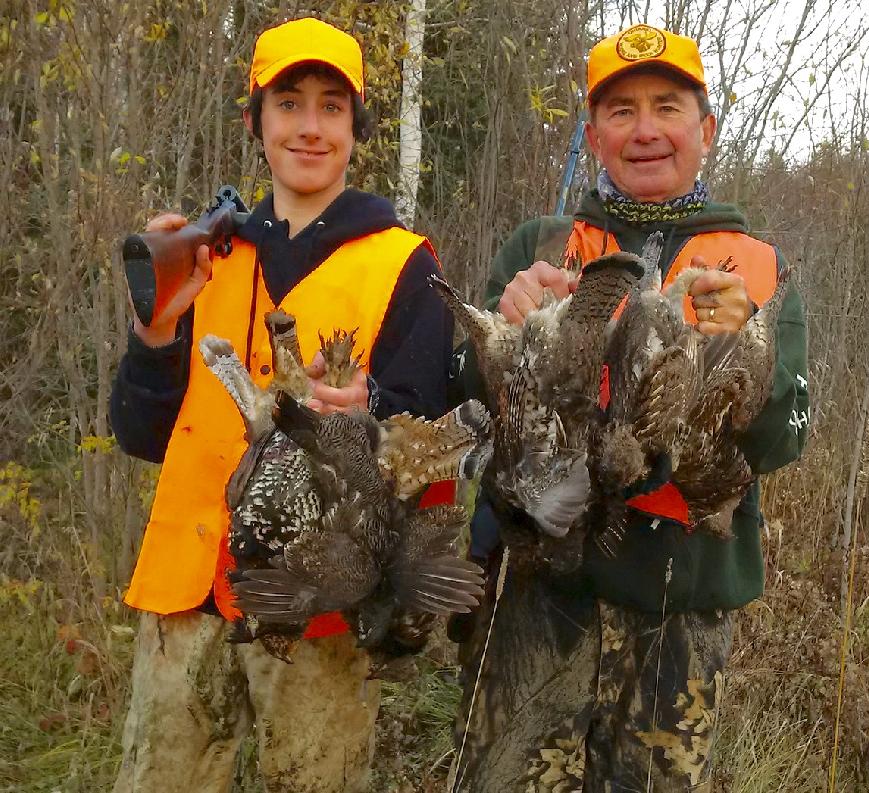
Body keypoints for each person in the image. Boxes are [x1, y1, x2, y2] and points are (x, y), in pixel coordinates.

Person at [449, 23, 810, 791]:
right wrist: (505, 331)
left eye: (667, 107)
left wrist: (748, 350)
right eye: (620, 111)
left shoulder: (761, 269)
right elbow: (462, 387)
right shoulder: (541, 245)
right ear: (593, 134)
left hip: (681, 608)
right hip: (539, 596)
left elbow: (784, 435)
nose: (645, 130)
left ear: (705, 130)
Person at [109, 17, 453, 793]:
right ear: (254, 120)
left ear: (356, 130)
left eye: (332, 107)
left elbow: (430, 444)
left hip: (317, 611)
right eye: (288, 102)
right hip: (185, 596)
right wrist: (156, 332)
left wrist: (375, 416)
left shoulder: (403, 263)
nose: (308, 126)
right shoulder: (206, 256)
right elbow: (140, 432)